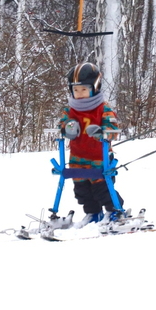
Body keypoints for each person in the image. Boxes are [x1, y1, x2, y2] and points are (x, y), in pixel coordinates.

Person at [59, 62, 122, 226]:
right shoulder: (70, 110)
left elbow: (114, 129)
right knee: (82, 190)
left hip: (99, 158)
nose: (79, 94)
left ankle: (115, 211)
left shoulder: (103, 108)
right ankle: (93, 214)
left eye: (84, 89)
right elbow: (62, 126)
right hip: (77, 159)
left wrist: (102, 132)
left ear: (94, 87)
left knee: (102, 189)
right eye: (76, 90)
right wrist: (67, 129)